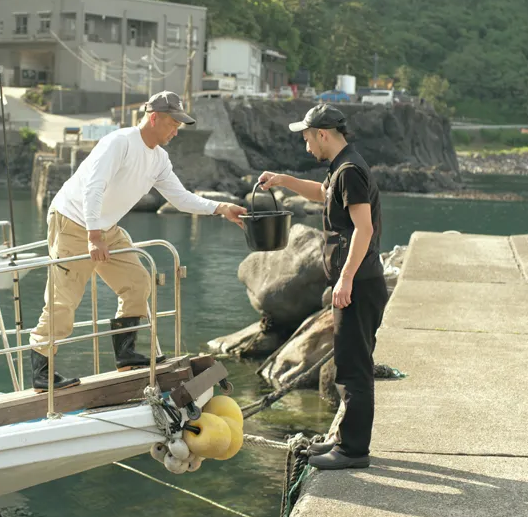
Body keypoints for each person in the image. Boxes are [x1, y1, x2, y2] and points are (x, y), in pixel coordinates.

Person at [29, 90, 246, 391]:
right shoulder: (119, 143)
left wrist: (220, 208)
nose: (176, 130)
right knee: (63, 301)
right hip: (74, 223)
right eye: (173, 123)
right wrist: (93, 236)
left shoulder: (158, 159)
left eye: (179, 125)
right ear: (154, 117)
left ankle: (126, 356)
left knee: (138, 282)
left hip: (105, 228)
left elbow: (180, 198)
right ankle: (41, 373)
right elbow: (94, 187)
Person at [258, 103, 387, 470]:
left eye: (307, 138)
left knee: (353, 368)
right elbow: (321, 193)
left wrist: (345, 279)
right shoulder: (342, 168)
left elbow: (365, 229)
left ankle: (352, 451)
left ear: (323, 134)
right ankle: (342, 440)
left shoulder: (350, 171)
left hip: (359, 284)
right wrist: (283, 180)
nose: (306, 146)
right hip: (357, 282)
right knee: (349, 363)